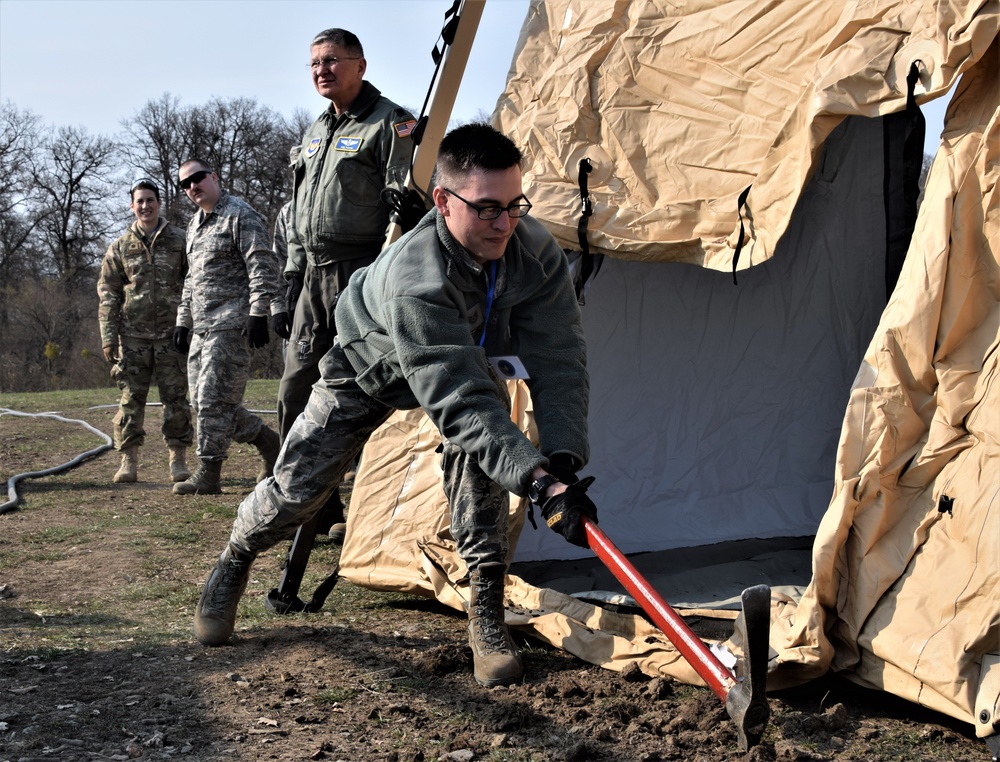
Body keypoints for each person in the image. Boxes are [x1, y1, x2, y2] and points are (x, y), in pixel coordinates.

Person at [193, 124, 599, 689]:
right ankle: (236, 557)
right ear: (442, 201)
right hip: (369, 366)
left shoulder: (534, 251)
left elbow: (559, 357)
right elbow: (457, 395)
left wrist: (560, 461)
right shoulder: (416, 276)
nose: (504, 223)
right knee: (300, 489)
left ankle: (485, 610)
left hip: (465, 359)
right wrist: (534, 482)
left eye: (513, 205)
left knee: (481, 460)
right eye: (486, 209)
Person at [277, 28, 417, 541]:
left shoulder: (393, 124)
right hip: (313, 277)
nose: (321, 70)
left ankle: (367, 507)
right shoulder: (316, 130)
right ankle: (313, 506)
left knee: (364, 389)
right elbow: (298, 207)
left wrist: (386, 277)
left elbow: (406, 204)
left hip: (362, 275)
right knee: (296, 387)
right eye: (314, 62)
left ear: (360, 64)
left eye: (332, 60)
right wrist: (293, 271)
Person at [172, 159, 290, 495]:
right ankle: (269, 443)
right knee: (204, 400)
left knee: (212, 399)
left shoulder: (239, 213)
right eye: (185, 184)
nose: (192, 187)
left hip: (231, 323)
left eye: (197, 179)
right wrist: (183, 320)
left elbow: (261, 263)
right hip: (201, 326)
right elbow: (192, 278)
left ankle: (209, 472)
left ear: (213, 177)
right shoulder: (195, 224)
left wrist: (258, 312)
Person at [97, 178, 193, 484]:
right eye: (139, 201)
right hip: (133, 336)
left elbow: (193, 284)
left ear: (158, 203)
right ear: (132, 206)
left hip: (172, 335)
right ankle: (129, 460)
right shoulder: (121, 246)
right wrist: (109, 337)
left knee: (175, 399)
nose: (145, 206)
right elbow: (108, 294)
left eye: (150, 200)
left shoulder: (180, 240)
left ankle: (177, 458)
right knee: (130, 400)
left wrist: (189, 326)